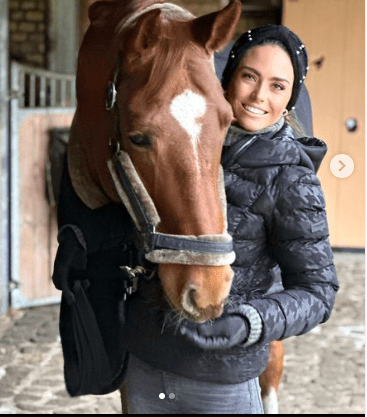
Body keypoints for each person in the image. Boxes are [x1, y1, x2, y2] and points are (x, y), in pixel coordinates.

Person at [53, 24, 339, 414]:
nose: (258, 96)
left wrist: (249, 321)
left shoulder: (293, 179)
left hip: (223, 378)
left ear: (290, 98)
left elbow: (318, 293)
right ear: (229, 78)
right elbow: (144, 221)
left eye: (277, 86)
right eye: (249, 77)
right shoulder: (185, 141)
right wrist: (81, 237)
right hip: (145, 361)